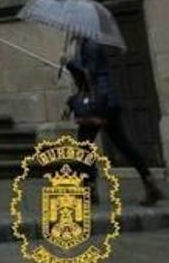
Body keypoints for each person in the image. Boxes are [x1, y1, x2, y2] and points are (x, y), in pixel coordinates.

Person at [64, 36, 165, 206]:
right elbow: (85, 78)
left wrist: (69, 63)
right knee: (122, 145)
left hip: (100, 104)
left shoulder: (91, 46)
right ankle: (150, 184)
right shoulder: (85, 44)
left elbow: (89, 74)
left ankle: (89, 190)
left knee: (83, 147)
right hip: (106, 102)